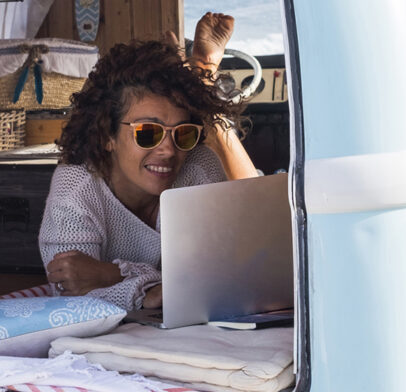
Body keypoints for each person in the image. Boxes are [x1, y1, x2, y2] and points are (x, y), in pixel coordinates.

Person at [37, 13, 260, 311]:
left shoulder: (197, 168)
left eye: (183, 133)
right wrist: (149, 292)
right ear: (108, 135)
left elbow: (228, 270)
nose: (168, 150)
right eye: (148, 133)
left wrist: (113, 275)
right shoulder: (75, 189)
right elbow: (71, 294)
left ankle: (202, 71)